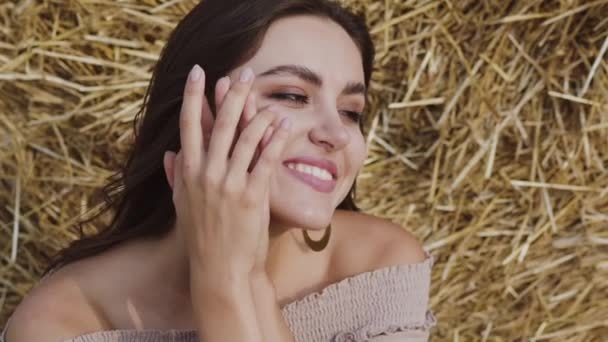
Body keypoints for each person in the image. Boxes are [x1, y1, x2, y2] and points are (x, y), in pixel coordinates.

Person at [2, 0, 436, 341]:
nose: (336, 134)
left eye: (349, 111)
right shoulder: (65, 324)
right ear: (194, 115)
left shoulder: (378, 266)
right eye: (290, 95)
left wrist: (230, 278)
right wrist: (226, 279)